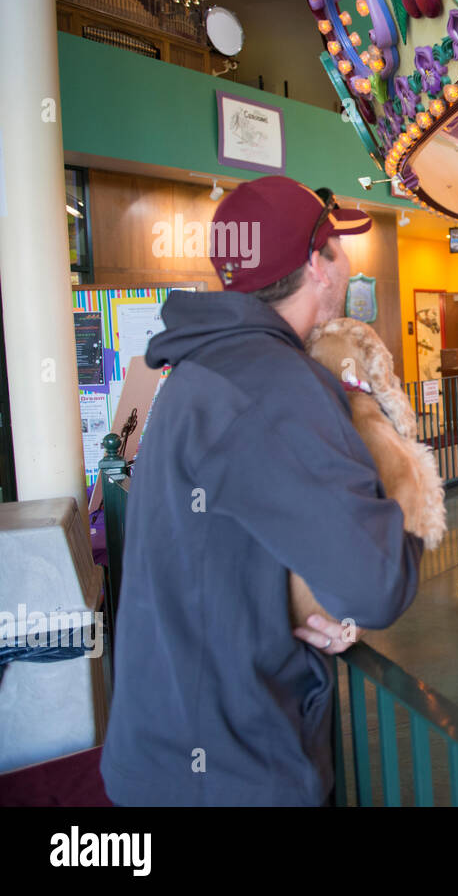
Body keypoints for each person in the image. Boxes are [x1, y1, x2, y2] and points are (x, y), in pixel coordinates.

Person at [100, 177, 424, 805]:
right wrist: (399, 473)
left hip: (167, 750)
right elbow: (378, 582)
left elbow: (234, 540)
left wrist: (303, 602)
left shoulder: (200, 369)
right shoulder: (274, 387)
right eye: (338, 246)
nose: (347, 260)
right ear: (316, 265)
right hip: (233, 771)